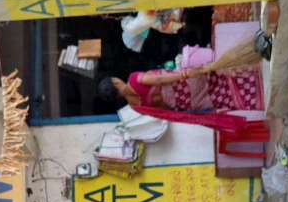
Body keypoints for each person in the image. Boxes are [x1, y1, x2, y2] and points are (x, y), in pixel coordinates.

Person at [97, 43, 269, 144]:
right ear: (115, 82)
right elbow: (159, 80)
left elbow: (162, 111)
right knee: (222, 77)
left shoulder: (135, 107)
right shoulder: (134, 79)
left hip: (184, 103)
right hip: (183, 85)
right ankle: (258, 77)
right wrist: (184, 74)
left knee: (223, 98)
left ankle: (258, 99)